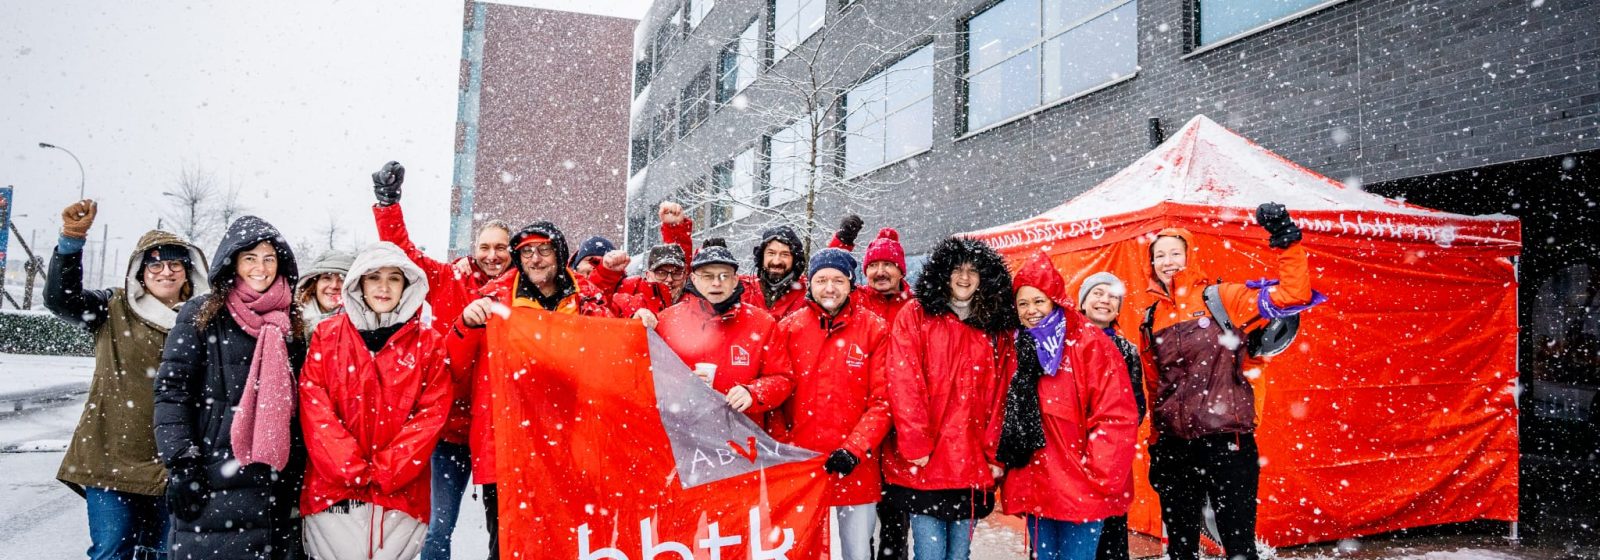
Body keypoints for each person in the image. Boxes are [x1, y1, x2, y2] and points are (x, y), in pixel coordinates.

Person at [1141, 203, 1319, 560]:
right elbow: (1153, 386)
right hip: (1175, 448)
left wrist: (1287, 243)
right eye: (1159, 255)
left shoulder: (1221, 298)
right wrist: (1157, 445)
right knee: (1180, 548)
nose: (1168, 261)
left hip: (1227, 441)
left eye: (1175, 252)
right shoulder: (1151, 316)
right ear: (1152, 264)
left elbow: (1291, 297)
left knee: (1238, 546)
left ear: (1191, 256)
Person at [45, 199, 209, 560]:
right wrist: (72, 242)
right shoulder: (113, 308)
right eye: (154, 265)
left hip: (175, 462)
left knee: (168, 554)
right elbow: (62, 300)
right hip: (109, 458)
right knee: (112, 549)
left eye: (174, 264)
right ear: (139, 272)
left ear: (188, 271)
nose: (165, 272)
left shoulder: (204, 321)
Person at [370, 160, 513, 560]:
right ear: (474, 250)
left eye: (501, 247)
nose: (492, 255)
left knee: (505, 530)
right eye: (485, 247)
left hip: (500, 428)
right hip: (450, 427)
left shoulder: (523, 292)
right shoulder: (450, 280)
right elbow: (404, 254)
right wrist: (388, 204)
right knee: (437, 528)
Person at [446, 220, 612, 560]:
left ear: (560, 253)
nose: (535, 259)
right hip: (509, 447)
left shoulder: (588, 303)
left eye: (544, 250)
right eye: (526, 253)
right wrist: (465, 325)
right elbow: (455, 368)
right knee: (508, 547)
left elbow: (611, 361)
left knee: (570, 543)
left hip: (573, 445)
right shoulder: (492, 302)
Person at [154, 216, 307, 560]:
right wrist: (182, 462)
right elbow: (172, 392)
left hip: (274, 480)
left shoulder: (290, 321)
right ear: (233, 263)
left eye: (269, 258)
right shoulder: (202, 313)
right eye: (250, 258)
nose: (261, 267)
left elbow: (299, 404)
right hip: (212, 474)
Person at [298, 242, 452, 560]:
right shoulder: (327, 335)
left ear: (407, 285)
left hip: (401, 495)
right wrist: (348, 467)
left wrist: (388, 470)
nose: (383, 287)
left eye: (394, 278)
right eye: (374, 277)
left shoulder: (429, 345)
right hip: (334, 494)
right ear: (359, 284)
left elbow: (432, 414)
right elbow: (315, 406)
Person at [881, 237, 1017, 560]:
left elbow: (1003, 395)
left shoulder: (995, 326)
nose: (965, 278)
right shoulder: (915, 314)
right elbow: (904, 380)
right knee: (930, 554)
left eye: (973, 271)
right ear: (943, 272)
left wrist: (995, 455)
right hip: (926, 463)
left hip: (972, 463)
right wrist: (916, 445)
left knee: (959, 555)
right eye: (958, 269)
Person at [997, 253, 1138, 560]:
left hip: (1080, 484)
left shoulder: (1088, 342)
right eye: (1023, 304)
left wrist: (1097, 475)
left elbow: (1116, 414)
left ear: (1055, 300)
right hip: (1037, 482)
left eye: (1039, 301)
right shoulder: (1017, 346)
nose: (1031, 310)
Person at [756, 248, 892, 560]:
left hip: (856, 468)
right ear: (810, 284)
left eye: (838, 280)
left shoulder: (874, 329)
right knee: (802, 550)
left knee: (857, 552)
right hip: (803, 469)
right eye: (821, 280)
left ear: (851, 284)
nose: (829, 288)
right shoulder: (788, 328)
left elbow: (883, 402)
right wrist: (786, 449)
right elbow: (777, 396)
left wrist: (854, 449)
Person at [655, 240, 781, 426]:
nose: (716, 283)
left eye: (724, 276)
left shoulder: (762, 323)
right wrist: (680, 386)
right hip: (683, 435)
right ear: (694, 279)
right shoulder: (666, 321)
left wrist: (754, 392)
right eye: (707, 276)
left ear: (735, 280)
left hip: (741, 437)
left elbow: (781, 377)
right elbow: (648, 377)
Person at [1076, 272, 1147, 560]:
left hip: (1110, 460)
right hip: (1069, 458)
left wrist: (1106, 441)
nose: (1104, 300)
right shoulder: (1063, 343)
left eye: (1112, 296)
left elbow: (1136, 408)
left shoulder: (1126, 350)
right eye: (1097, 293)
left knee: (1111, 542)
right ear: (1082, 302)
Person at [589, 243, 687, 322]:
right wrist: (605, 274)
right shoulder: (626, 301)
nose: (669, 279)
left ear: (685, 275)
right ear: (648, 275)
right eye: (661, 273)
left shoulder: (694, 301)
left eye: (677, 273)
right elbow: (596, 312)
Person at [739, 225, 809, 319]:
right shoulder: (742, 288)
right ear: (762, 256)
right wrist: (717, 264)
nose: (776, 261)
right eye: (771, 253)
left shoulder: (807, 293)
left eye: (785, 254)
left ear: (795, 260)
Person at [856, 227, 915, 323]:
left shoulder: (917, 306)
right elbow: (829, 279)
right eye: (873, 265)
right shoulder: (855, 300)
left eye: (887, 264)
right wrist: (842, 242)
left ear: (901, 272)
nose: (880, 273)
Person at [295, 250, 354, 339]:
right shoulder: (294, 320)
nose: (334, 285)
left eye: (342, 279)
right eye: (327, 278)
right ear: (315, 284)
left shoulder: (361, 325)